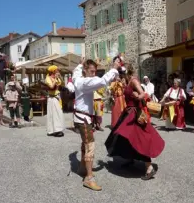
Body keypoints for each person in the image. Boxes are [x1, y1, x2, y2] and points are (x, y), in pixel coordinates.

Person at [105, 63, 165, 181]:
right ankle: (130, 158)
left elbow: (144, 94)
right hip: (128, 112)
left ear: (126, 73)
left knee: (139, 138)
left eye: (121, 74)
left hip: (135, 114)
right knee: (123, 135)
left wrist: (138, 96)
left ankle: (149, 167)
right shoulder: (127, 81)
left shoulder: (134, 81)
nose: (120, 76)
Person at [72, 56, 120, 191]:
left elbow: (76, 71)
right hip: (83, 119)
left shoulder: (78, 77)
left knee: (84, 144)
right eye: (92, 71)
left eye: (95, 71)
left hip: (81, 118)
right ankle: (89, 178)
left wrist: (80, 64)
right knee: (90, 146)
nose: (94, 74)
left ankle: (82, 168)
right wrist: (114, 69)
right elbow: (103, 81)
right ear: (86, 71)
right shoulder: (85, 82)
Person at [45, 65, 64, 137]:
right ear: (53, 71)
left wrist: (60, 77)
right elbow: (52, 86)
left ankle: (58, 129)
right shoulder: (48, 78)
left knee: (58, 114)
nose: (58, 71)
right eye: (56, 70)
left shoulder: (56, 78)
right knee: (52, 114)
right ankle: (53, 130)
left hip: (57, 97)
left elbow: (62, 84)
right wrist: (55, 78)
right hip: (52, 98)